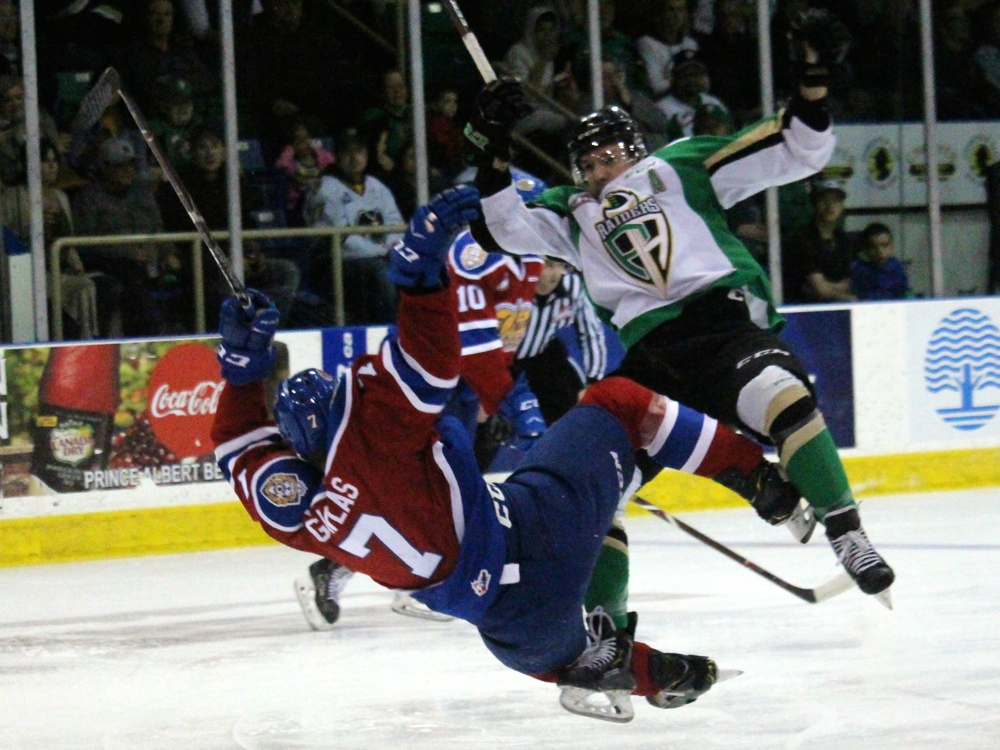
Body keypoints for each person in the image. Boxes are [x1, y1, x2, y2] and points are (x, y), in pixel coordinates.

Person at [212, 186, 801, 721]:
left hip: (515, 631)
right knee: (618, 403)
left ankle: (648, 669)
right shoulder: (374, 431)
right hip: (529, 526)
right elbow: (432, 360)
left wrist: (240, 376)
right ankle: (758, 479)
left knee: (565, 649)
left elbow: (239, 449)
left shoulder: (293, 512)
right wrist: (421, 279)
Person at [464, 9, 895, 601]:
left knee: (784, 400)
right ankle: (603, 635)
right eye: (586, 164)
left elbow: (797, 150)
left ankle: (845, 531)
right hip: (651, 359)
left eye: (608, 157)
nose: (597, 171)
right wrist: (491, 144)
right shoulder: (570, 212)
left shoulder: (681, 165)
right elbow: (500, 224)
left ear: (636, 151)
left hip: (725, 328)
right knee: (596, 485)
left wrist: (814, 81)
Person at [305, 127, 403, 324]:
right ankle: (391, 329)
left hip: (379, 258)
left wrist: (393, 249)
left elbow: (395, 224)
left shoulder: (377, 186)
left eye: (359, 152)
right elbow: (342, 236)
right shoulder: (325, 188)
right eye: (347, 152)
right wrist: (381, 253)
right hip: (340, 263)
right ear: (337, 156)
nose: (354, 158)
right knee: (381, 273)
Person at [72, 135, 164, 337]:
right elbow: (86, 243)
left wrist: (167, 252)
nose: (128, 171)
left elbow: (158, 229)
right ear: (104, 167)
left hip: (150, 261)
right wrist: (126, 252)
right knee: (131, 282)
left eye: (131, 165)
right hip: (110, 263)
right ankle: (147, 339)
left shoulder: (142, 194)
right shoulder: (88, 198)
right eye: (120, 166)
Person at [783, 178, 857, 304]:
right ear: (815, 203)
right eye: (824, 200)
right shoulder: (803, 238)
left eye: (835, 200)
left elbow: (847, 283)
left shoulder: (843, 239)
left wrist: (828, 287)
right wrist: (847, 297)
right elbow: (819, 289)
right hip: (804, 309)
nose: (830, 205)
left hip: (835, 306)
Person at [851, 222, 911, 301]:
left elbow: (904, 293)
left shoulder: (896, 267)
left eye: (885, 245)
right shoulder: (859, 270)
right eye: (873, 247)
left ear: (891, 246)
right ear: (865, 249)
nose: (880, 251)